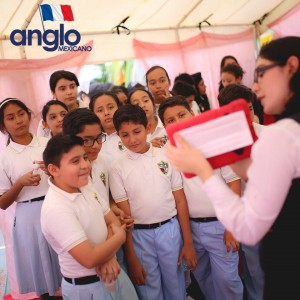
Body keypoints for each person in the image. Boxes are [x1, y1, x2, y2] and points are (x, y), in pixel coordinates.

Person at [165, 36, 300, 300]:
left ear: (291, 67)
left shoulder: (282, 134)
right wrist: (236, 162)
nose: (256, 87)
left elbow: (248, 229)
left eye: (261, 74)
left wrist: (203, 171)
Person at [158, 96, 244, 300]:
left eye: (182, 115)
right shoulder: (166, 153)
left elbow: (233, 182)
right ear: (164, 126)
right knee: (203, 278)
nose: (177, 122)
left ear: (192, 114)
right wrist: (187, 241)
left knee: (227, 281)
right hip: (190, 228)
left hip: (220, 225)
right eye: (170, 120)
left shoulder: (214, 144)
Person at [109, 104, 197, 300]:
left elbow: (180, 201)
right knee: (150, 290)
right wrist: (131, 257)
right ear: (118, 135)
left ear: (148, 128)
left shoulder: (166, 156)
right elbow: (127, 216)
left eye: (137, 131)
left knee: (176, 287)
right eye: (125, 135)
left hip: (170, 230)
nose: (132, 139)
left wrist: (188, 242)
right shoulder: (117, 168)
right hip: (139, 236)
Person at [41, 134, 138, 300]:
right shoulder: (56, 208)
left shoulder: (84, 185)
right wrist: (120, 236)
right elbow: (89, 258)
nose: (85, 165)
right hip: (88, 287)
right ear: (53, 169)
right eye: (75, 161)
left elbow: (112, 221)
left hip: (113, 270)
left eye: (85, 158)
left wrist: (107, 256)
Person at [0, 98, 62, 300]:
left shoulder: (49, 144)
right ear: (3, 126)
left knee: (66, 266)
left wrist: (52, 173)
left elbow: (68, 177)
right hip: (28, 217)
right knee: (41, 273)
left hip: (57, 207)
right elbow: (3, 202)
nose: (18, 120)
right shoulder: (4, 157)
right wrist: (20, 183)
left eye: (21, 113)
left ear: (29, 114)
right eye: (10, 118)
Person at [218, 84, 265, 300]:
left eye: (250, 109)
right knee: (255, 272)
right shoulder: (220, 145)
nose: (246, 116)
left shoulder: (270, 135)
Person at [37, 70, 87, 137]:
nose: (69, 92)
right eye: (63, 89)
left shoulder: (89, 112)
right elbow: (42, 145)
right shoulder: (47, 122)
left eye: (72, 87)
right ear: (53, 93)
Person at [89, 91, 126, 164]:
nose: (106, 113)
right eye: (100, 110)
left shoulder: (130, 134)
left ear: (119, 107)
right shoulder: (92, 141)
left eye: (111, 107)